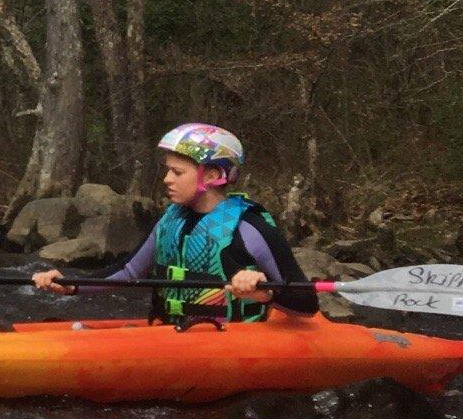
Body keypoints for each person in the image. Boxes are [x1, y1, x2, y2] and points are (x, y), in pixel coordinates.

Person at [32, 123, 317, 323]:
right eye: (168, 171)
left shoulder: (251, 227)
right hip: (173, 336)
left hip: (232, 345)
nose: (167, 179)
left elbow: (306, 303)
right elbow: (129, 271)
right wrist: (70, 284)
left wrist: (265, 292)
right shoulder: (171, 219)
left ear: (212, 175)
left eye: (177, 172)